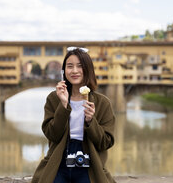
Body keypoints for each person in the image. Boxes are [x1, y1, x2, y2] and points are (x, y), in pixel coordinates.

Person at [31, 47, 116, 183]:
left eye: (80, 66)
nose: (74, 71)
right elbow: (52, 135)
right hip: (59, 160)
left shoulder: (102, 103)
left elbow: (105, 143)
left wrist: (90, 121)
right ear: (64, 71)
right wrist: (63, 105)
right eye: (70, 66)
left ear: (88, 69)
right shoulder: (54, 98)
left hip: (89, 163)